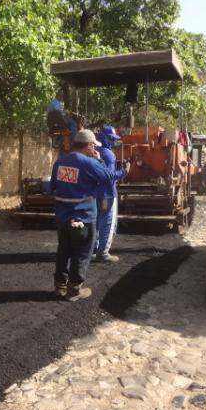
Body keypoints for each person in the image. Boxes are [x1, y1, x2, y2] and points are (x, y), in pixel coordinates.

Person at [50, 129, 114, 301]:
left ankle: (59, 286)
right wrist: (99, 159)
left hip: (63, 217)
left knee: (63, 250)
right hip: (83, 217)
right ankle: (74, 289)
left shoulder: (60, 162)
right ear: (90, 145)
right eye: (93, 146)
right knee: (82, 252)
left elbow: (52, 187)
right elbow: (108, 178)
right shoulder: (89, 163)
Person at [93, 126, 129, 262]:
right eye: (112, 139)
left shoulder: (95, 152)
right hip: (107, 193)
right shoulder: (108, 154)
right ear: (105, 138)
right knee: (107, 223)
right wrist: (124, 172)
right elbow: (108, 176)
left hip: (95, 193)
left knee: (96, 223)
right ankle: (103, 253)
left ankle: (95, 250)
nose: (113, 142)